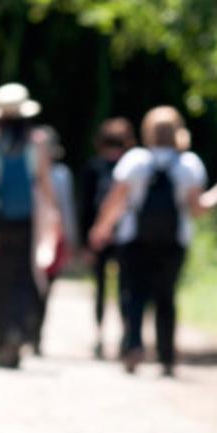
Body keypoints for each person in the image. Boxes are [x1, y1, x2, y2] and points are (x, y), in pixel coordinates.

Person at [89, 106, 217, 376]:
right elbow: (197, 209)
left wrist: (100, 229)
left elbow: (115, 201)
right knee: (166, 297)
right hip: (174, 241)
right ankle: (166, 356)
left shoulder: (134, 160)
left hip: (133, 239)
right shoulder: (189, 164)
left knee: (134, 294)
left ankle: (134, 346)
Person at [0, 83, 62, 368]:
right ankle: (18, 332)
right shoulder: (38, 142)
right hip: (28, 222)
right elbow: (45, 185)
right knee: (25, 279)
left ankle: (3, 335)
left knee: (0, 282)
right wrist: (54, 218)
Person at [78, 118, 136, 358]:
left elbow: (85, 207)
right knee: (126, 289)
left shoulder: (94, 167)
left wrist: (86, 242)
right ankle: (126, 336)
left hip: (98, 237)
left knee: (101, 289)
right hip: (125, 236)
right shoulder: (131, 166)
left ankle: (99, 336)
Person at [30, 125, 75, 355]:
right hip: (39, 236)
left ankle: (35, 334)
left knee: (42, 288)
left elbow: (65, 210)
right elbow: (65, 210)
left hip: (49, 237)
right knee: (35, 288)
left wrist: (68, 239)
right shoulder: (58, 175)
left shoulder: (58, 174)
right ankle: (32, 333)